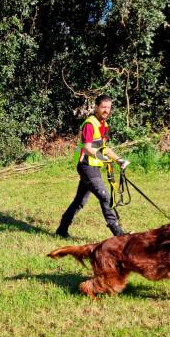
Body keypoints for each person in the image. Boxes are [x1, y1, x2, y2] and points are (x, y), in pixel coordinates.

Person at [55, 94, 129, 238]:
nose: (106, 110)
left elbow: (104, 148)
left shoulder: (104, 125)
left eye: (109, 107)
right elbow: (88, 148)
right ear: (96, 107)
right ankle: (119, 234)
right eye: (103, 107)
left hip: (93, 167)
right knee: (105, 197)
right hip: (86, 166)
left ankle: (62, 230)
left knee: (80, 201)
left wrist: (118, 160)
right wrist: (104, 158)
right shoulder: (89, 124)